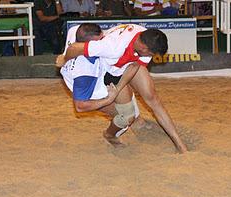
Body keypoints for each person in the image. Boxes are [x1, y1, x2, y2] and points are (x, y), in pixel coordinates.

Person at [56, 23, 188, 153]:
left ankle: (180, 145)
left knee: (152, 98)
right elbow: (74, 48)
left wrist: (118, 89)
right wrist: (64, 59)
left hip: (123, 65)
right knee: (126, 116)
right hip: (108, 71)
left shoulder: (144, 35)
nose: (152, 58)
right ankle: (110, 135)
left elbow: (134, 66)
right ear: (143, 47)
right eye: (151, 54)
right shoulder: (111, 48)